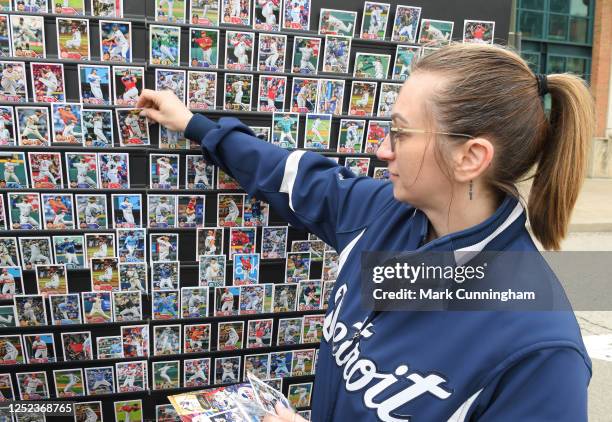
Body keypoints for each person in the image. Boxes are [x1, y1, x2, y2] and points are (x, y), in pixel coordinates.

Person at [137, 41, 594, 421]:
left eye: (400, 132)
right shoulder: (383, 216)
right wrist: (194, 125)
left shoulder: (539, 352)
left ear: (469, 157)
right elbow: (290, 175)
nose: (381, 150)